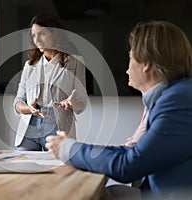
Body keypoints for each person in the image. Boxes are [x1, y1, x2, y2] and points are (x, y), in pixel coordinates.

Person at [46, 20, 192, 199]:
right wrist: (73, 147)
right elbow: (134, 153)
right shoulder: (175, 96)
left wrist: (69, 149)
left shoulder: (177, 100)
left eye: (130, 57)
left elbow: (128, 165)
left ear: (146, 63)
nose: (127, 68)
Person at [13, 14, 87, 151]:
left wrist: (72, 104)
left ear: (55, 34)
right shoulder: (30, 65)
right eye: (34, 36)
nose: (37, 40)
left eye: (41, 34)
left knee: (58, 170)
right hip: (29, 128)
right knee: (24, 170)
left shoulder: (75, 62)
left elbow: (82, 103)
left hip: (58, 127)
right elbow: (17, 102)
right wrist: (29, 108)